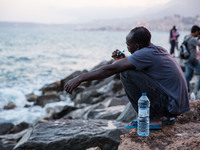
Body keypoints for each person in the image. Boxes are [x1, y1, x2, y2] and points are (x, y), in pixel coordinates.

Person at [65, 26, 189, 127]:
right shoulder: (157, 49)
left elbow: (111, 69)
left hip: (170, 106)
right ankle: (162, 117)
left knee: (126, 74)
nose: (127, 48)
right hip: (176, 106)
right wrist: (123, 61)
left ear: (137, 46)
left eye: (128, 45)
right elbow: (142, 70)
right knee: (127, 70)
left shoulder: (144, 53)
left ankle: (153, 119)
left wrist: (80, 78)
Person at [184, 25, 200, 97]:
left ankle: (186, 92)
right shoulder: (193, 39)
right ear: (196, 31)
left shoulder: (186, 37)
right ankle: (198, 90)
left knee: (187, 76)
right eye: (198, 32)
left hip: (186, 60)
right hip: (192, 60)